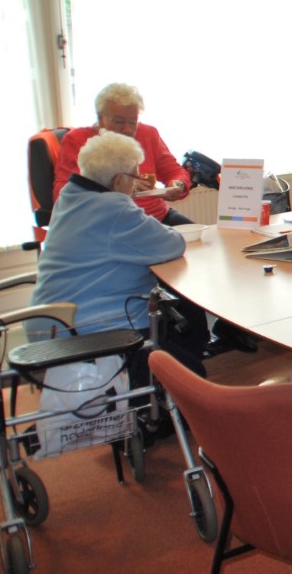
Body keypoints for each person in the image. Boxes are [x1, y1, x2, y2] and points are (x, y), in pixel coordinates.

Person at [31, 131, 209, 384]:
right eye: (135, 177)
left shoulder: (70, 196)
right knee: (192, 377)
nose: (136, 185)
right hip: (96, 331)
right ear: (118, 181)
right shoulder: (113, 209)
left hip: (50, 324)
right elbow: (172, 243)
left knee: (180, 348)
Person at [53, 82, 194, 226]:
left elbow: (174, 171)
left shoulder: (148, 133)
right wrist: (125, 186)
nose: (127, 129)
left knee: (201, 234)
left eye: (133, 122)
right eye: (119, 122)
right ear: (101, 118)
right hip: (110, 222)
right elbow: (63, 196)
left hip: (156, 215)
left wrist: (177, 185)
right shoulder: (76, 140)